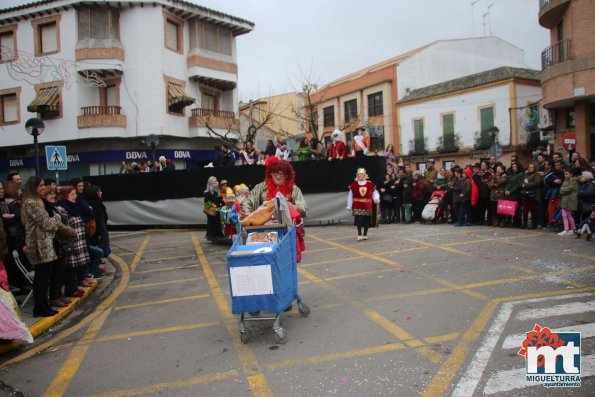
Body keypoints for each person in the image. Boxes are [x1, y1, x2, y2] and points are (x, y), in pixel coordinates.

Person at [21, 177, 75, 316]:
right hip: (39, 245)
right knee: (41, 278)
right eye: (41, 186)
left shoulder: (36, 202)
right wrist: (57, 217)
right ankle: (40, 307)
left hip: (44, 243)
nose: (43, 188)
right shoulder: (31, 203)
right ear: (33, 188)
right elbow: (48, 224)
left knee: (45, 278)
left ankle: (44, 305)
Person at [241, 156, 308, 262]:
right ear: (270, 173)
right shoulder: (261, 187)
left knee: (283, 262)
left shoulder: (294, 190)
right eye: (275, 173)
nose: (277, 176)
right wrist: (251, 215)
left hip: (286, 233)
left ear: (286, 175)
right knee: (266, 261)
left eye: (281, 173)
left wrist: (294, 207)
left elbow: (304, 209)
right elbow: (247, 202)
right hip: (263, 231)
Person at [347, 168, 380, 240]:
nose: (360, 176)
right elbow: (350, 195)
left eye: (362, 174)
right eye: (359, 175)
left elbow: (375, 193)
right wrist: (349, 205)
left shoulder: (370, 184)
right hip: (357, 204)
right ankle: (359, 234)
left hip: (367, 205)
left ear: (365, 175)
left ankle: (365, 234)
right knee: (359, 219)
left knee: (366, 220)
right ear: (357, 176)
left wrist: (376, 198)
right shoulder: (354, 185)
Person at [520, 163, 543, 229]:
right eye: (529, 167)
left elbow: (537, 183)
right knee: (525, 210)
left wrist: (526, 184)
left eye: (532, 167)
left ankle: (534, 224)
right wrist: (523, 185)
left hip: (533, 195)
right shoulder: (526, 174)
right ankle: (524, 224)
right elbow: (522, 183)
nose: (530, 168)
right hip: (526, 195)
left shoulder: (536, 174)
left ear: (534, 168)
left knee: (533, 210)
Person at [558, 168, 579, 236]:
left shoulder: (573, 181)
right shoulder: (565, 180)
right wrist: (564, 189)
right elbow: (561, 189)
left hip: (570, 200)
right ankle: (569, 229)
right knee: (564, 215)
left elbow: (568, 189)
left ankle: (571, 229)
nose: (565, 175)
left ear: (571, 174)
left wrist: (564, 189)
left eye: (567, 174)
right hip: (565, 199)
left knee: (569, 215)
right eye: (565, 174)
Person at [204, 176, 224, 242]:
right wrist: (213, 206)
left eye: (216, 181)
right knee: (212, 223)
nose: (216, 183)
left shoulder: (217, 192)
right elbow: (206, 203)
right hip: (212, 211)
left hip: (218, 211)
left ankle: (217, 236)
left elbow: (221, 201)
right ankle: (211, 236)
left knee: (218, 223)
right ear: (210, 183)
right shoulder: (208, 193)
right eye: (214, 182)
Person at [505, 162, 524, 227]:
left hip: (517, 194)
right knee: (511, 208)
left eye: (515, 167)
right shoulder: (512, 175)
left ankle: (517, 222)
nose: (514, 168)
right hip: (510, 194)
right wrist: (506, 190)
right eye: (513, 167)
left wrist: (511, 191)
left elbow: (518, 185)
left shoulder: (520, 174)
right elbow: (508, 183)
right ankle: (511, 222)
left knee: (517, 209)